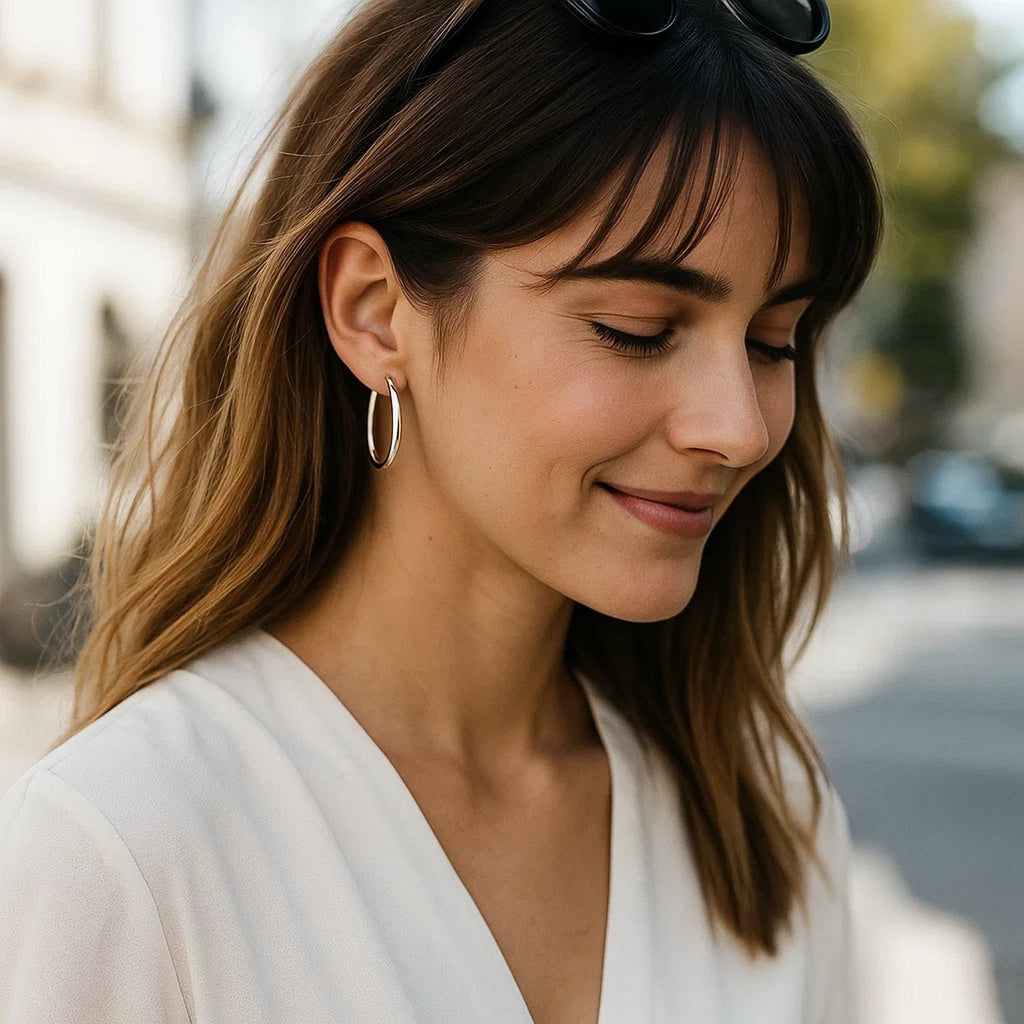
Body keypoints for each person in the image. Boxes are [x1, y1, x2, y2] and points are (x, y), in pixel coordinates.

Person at [0, 0, 882, 1019]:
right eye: (637, 328)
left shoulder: (761, 826)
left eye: (774, 341)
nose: (737, 426)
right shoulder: (125, 852)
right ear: (377, 312)